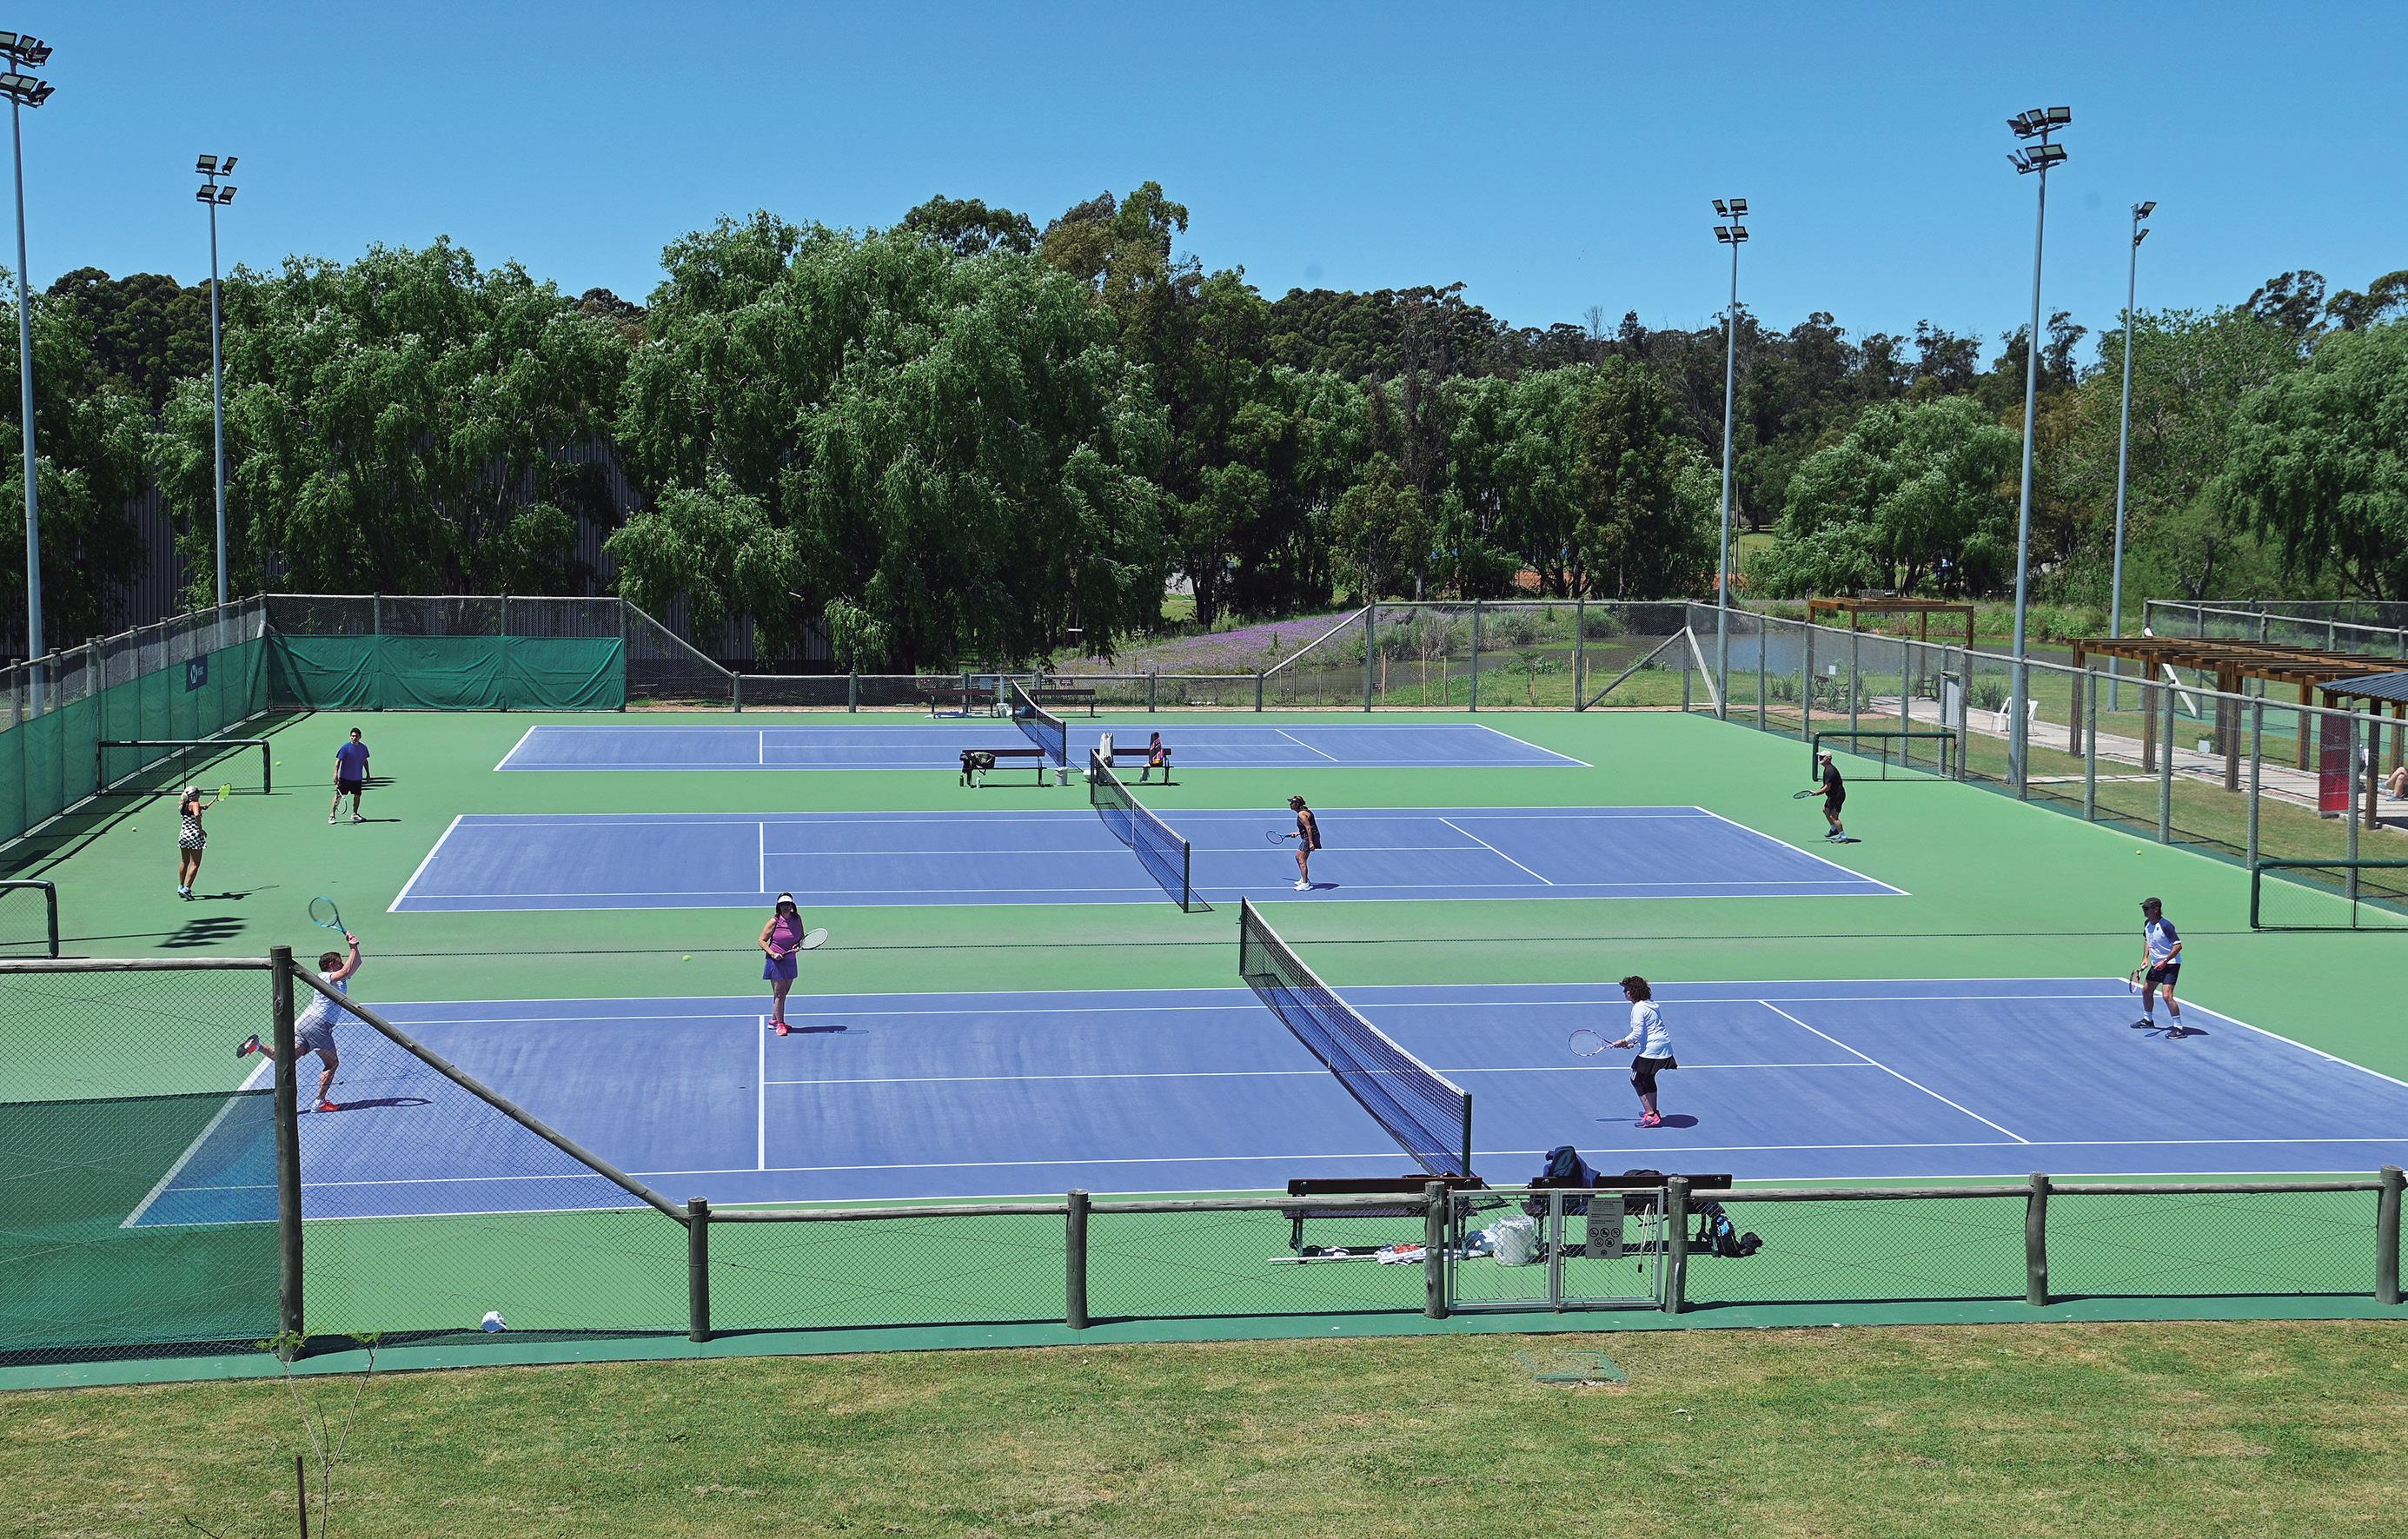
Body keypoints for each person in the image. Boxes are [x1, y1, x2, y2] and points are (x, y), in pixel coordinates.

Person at [239, 930, 362, 1113]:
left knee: (286, 1058)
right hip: (319, 1025)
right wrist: (351, 947)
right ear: (330, 965)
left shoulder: (340, 979)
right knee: (332, 1063)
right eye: (339, 961)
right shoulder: (324, 977)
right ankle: (319, 1102)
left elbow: (355, 964)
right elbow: (346, 970)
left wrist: (355, 948)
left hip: (306, 1025)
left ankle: (258, 1046)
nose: (343, 964)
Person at [1607, 975, 1676, 1129]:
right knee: (1648, 1078)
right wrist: (1633, 1043)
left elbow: (1637, 1032)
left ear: (1634, 991)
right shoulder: (1650, 1004)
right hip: (1663, 1047)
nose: (1624, 992)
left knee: (1636, 1078)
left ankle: (1650, 1115)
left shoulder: (1638, 1008)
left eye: (1626, 990)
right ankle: (1653, 1111)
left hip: (1653, 1049)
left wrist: (1623, 1041)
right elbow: (1649, 1029)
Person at [2135, 896, 2186, 1038]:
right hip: (2156, 964)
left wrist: (2165, 960)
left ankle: (2179, 1028)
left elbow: (2178, 946)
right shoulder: (2147, 923)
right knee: (2146, 991)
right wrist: (2145, 958)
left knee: (2167, 995)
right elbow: (2148, 941)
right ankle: (2148, 1020)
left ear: (2156, 909)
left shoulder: (2166, 926)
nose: (2144, 910)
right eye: (2143, 908)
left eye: (2146, 908)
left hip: (2171, 964)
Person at [760, 893, 807, 1036]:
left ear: (792, 905)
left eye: (787, 904)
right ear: (778, 906)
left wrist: (798, 946)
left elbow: (801, 938)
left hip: (790, 959)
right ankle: (780, 1025)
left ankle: (774, 1020)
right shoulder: (774, 921)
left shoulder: (797, 919)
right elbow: (761, 941)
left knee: (783, 993)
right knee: (780, 994)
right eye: (782, 905)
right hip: (776, 961)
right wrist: (773, 953)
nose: (785, 907)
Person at [175, 784, 218, 900]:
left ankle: (180, 886)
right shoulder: (195, 804)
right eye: (198, 793)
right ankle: (187, 889)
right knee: (195, 864)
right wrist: (200, 828)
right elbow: (197, 814)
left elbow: (194, 809)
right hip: (194, 836)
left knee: (184, 861)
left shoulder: (183, 805)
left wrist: (202, 807)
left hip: (183, 836)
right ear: (195, 795)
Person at [329, 727, 371, 825]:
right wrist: (335, 774)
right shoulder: (345, 748)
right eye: (352, 736)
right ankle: (332, 815)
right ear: (350, 737)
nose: (354, 738)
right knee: (338, 796)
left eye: (356, 736)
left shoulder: (363, 748)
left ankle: (354, 814)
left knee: (357, 796)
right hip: (345, 778)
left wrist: (368, 774)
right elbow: (338, 762)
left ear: (360, 737)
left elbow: (365, 761)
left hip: (357, 778)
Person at [1808, 750, 1847, 842]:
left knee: (1834, 817)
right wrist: (1820, 791)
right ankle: (1834, 829)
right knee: (1825, 810)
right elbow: (1828, 785)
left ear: (1828, 759)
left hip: (1837, 796)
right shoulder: (1827, 769)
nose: (1820, 758)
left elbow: (1827, 787)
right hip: (1832, 795)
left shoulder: (1830, 771)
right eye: (1820, 756)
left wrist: (1817, 793)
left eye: (1822, 757)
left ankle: (1843, 837)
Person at [1287, 795, 1321, 891]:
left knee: (1301, 859)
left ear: (1296, 804)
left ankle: (1305, 884)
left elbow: (1309, 828)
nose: (1290, 804)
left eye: (1292, 803)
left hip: (1310, 838)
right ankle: (1304, 878)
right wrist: (1297, 833)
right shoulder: (1305, 811)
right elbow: (1307, 828)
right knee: (1298, 857)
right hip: (1309, 836)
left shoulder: (1301, 815)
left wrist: (1311, 843)